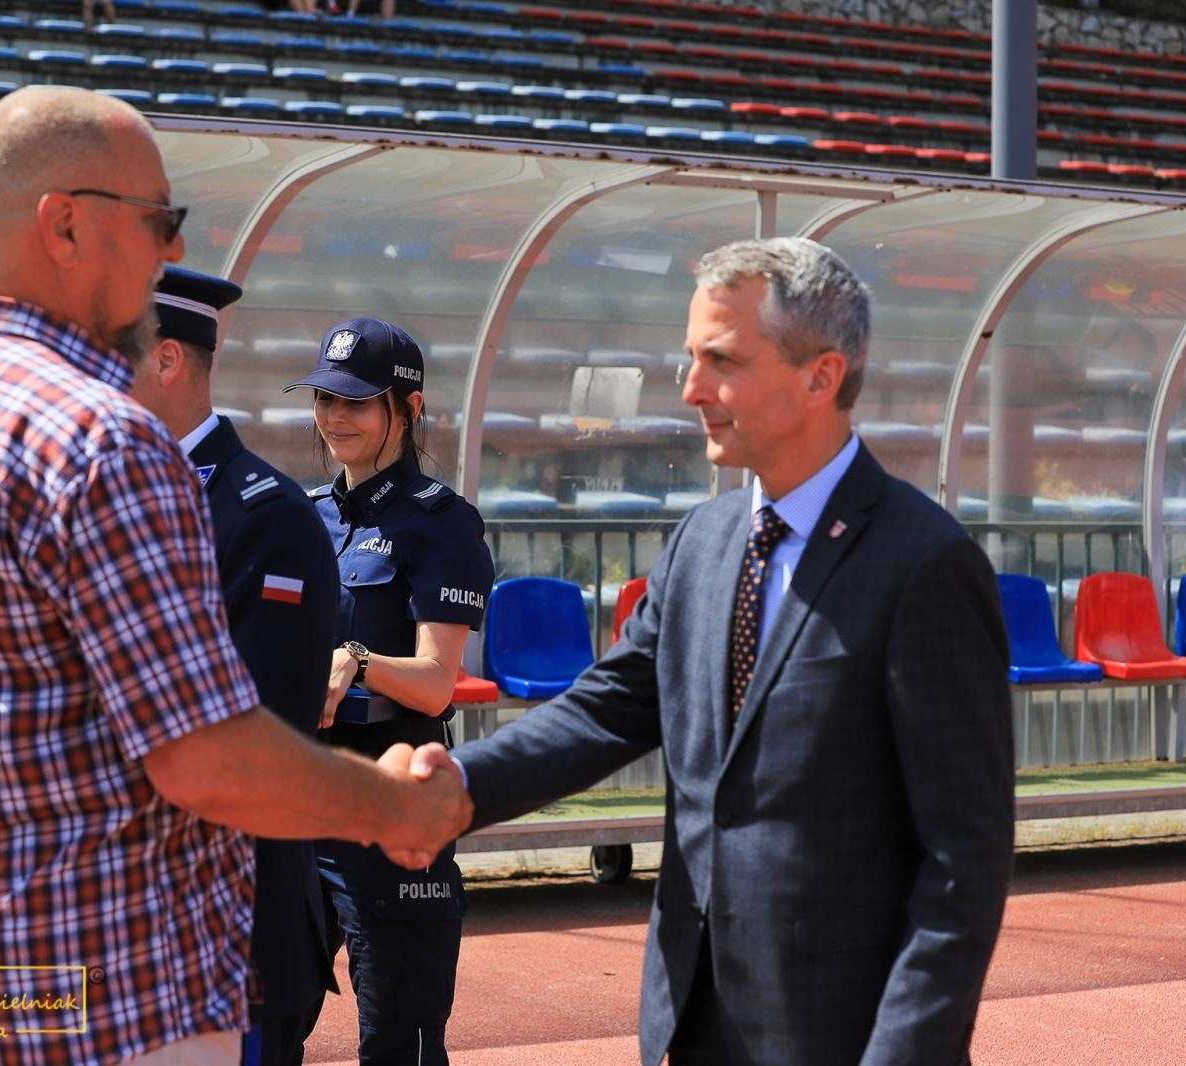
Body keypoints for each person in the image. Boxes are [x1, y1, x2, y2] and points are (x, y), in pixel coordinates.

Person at [0, 86, 467, 1066]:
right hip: (102, 993)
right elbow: (207, 759)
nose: (171, 248)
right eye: (158, 221)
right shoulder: (98, 439)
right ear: (65, 224)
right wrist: (394, 805)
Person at [417, 237, 1016, 1065]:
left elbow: (963, 859)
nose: (692, 389)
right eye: (691, 359)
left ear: (822, 377)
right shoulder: (702, 541)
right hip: (693, 1016)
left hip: (841, 1036)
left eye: (722, 361)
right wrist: (459, 785)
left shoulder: (926, 563)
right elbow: (608, 709)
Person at [127, 266, 338, 1066]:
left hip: (227, 937)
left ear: (167, 359)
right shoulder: (111, 497)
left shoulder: (265, 517)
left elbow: (257, 736)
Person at [282, 316, 494, 1066]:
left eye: (356, 402)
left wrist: (359, 660)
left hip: (392, 800)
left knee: (398, 1040)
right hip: (298, 800)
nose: (335, 417)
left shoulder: (443, 524)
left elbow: (436, 685)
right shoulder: (301, 516)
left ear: (408, 408)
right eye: (325, 399)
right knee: (262, 1025)